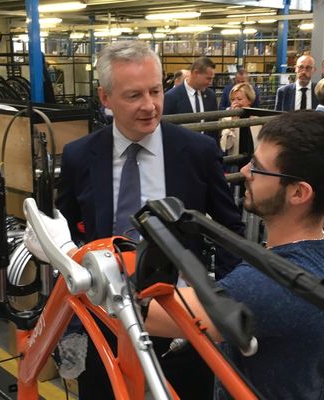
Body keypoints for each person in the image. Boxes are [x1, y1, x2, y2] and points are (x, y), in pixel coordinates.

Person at [26, 111, 324, 399]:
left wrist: (65, 253)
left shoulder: (267, 284)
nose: (245, 171)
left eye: (258, 168)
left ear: (299, 193)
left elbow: (142, 315)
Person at [56, 40, 244, 400]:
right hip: (106, 318)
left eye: (155, 91)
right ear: (105, 97)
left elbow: (228, 230)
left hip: (181, 321)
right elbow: (66, 228)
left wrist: (223, 303)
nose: (149, 105)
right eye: (133, 95)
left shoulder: (198, 152)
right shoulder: (81, 156)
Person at [219, 82, 262, 166]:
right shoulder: (226, 119)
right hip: (235, 164)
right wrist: (233, 123)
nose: (235, 103)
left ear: (249, 100)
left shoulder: (258, 120)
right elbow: (226, 147)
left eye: (239, 99)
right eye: (232, 99)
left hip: (254, 164)